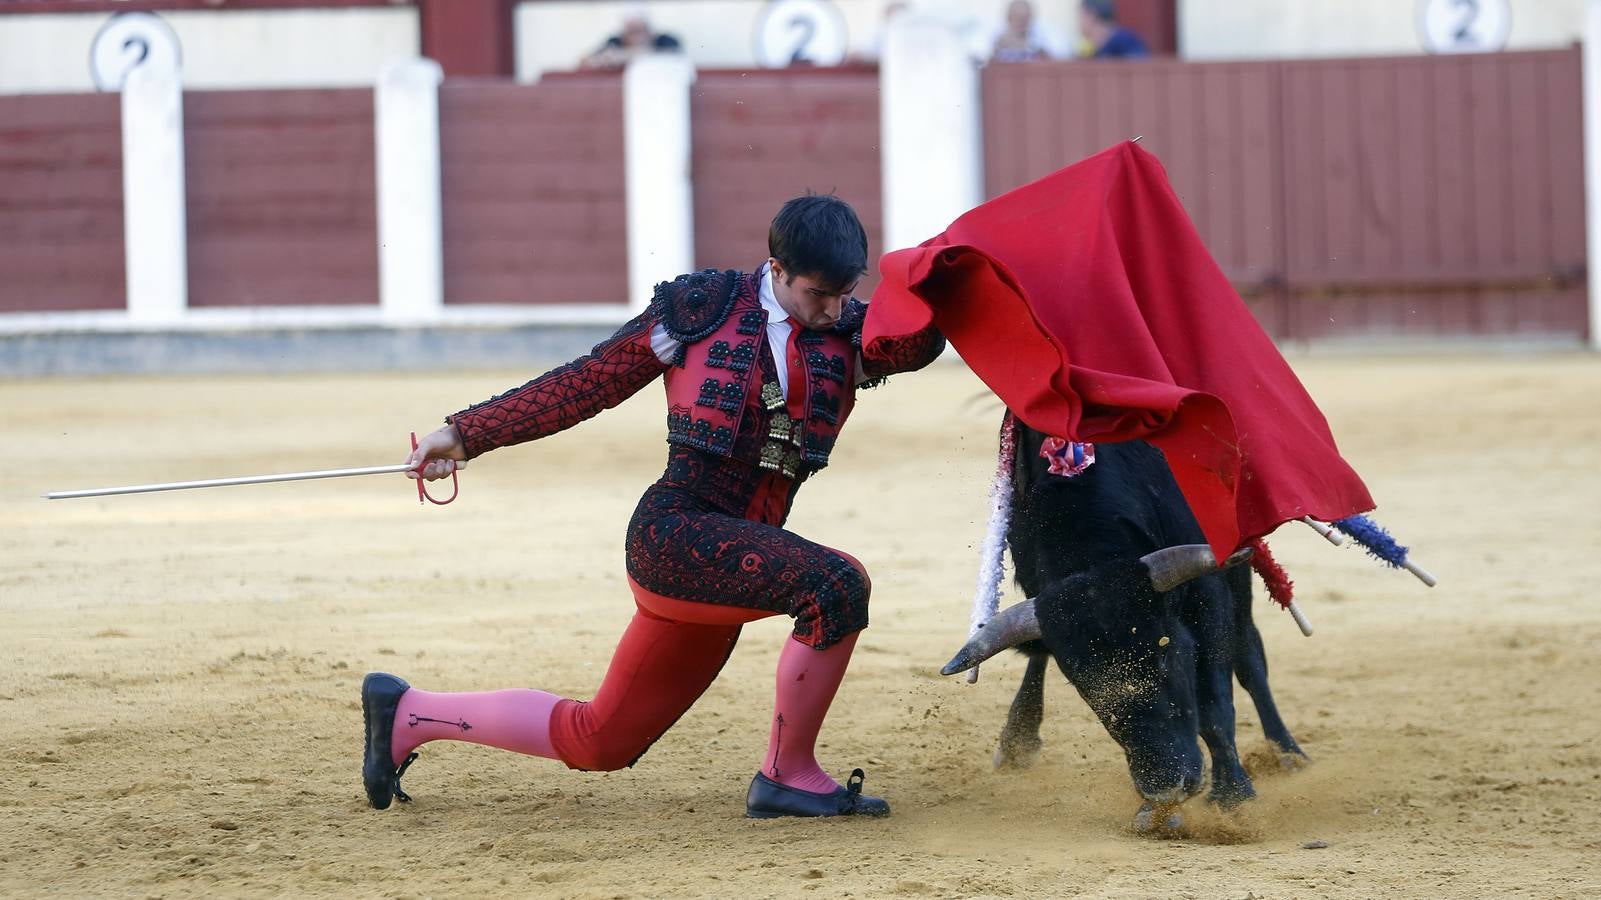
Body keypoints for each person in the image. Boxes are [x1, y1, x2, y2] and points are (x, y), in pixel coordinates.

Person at [362, 195, 946, 819]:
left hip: (742, 555)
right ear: (777, 269)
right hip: (676, 535)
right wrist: (468, 432)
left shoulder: (850, 331)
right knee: (835, 585)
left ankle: (407, 713)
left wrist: (946, 272)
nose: (832, 309)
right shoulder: (701, 308)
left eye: (844, 293)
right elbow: (589, 382)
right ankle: (787, 776)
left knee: (599, 740)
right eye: (817, 293)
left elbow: (919, 340)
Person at [580, 8, 682, 70]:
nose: (635, 37)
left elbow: (674, 54)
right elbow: (584, 61)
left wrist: (624, 56)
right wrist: (600, 60)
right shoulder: (615, 42)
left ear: (650, 32)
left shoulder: (665, 41)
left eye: (639, 30)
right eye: (630, 32)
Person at [990, 0, 1063, 63]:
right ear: (1009, 17)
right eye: (1017, 17)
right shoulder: (998, 43)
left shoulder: (1040, 41)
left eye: (1025, 18)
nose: (1021, 22)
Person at [1077, 0, 1149, 59]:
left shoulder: (1126, 42)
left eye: (1081, 16)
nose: (1079, 22)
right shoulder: (1093, 50)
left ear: (1091, 15)